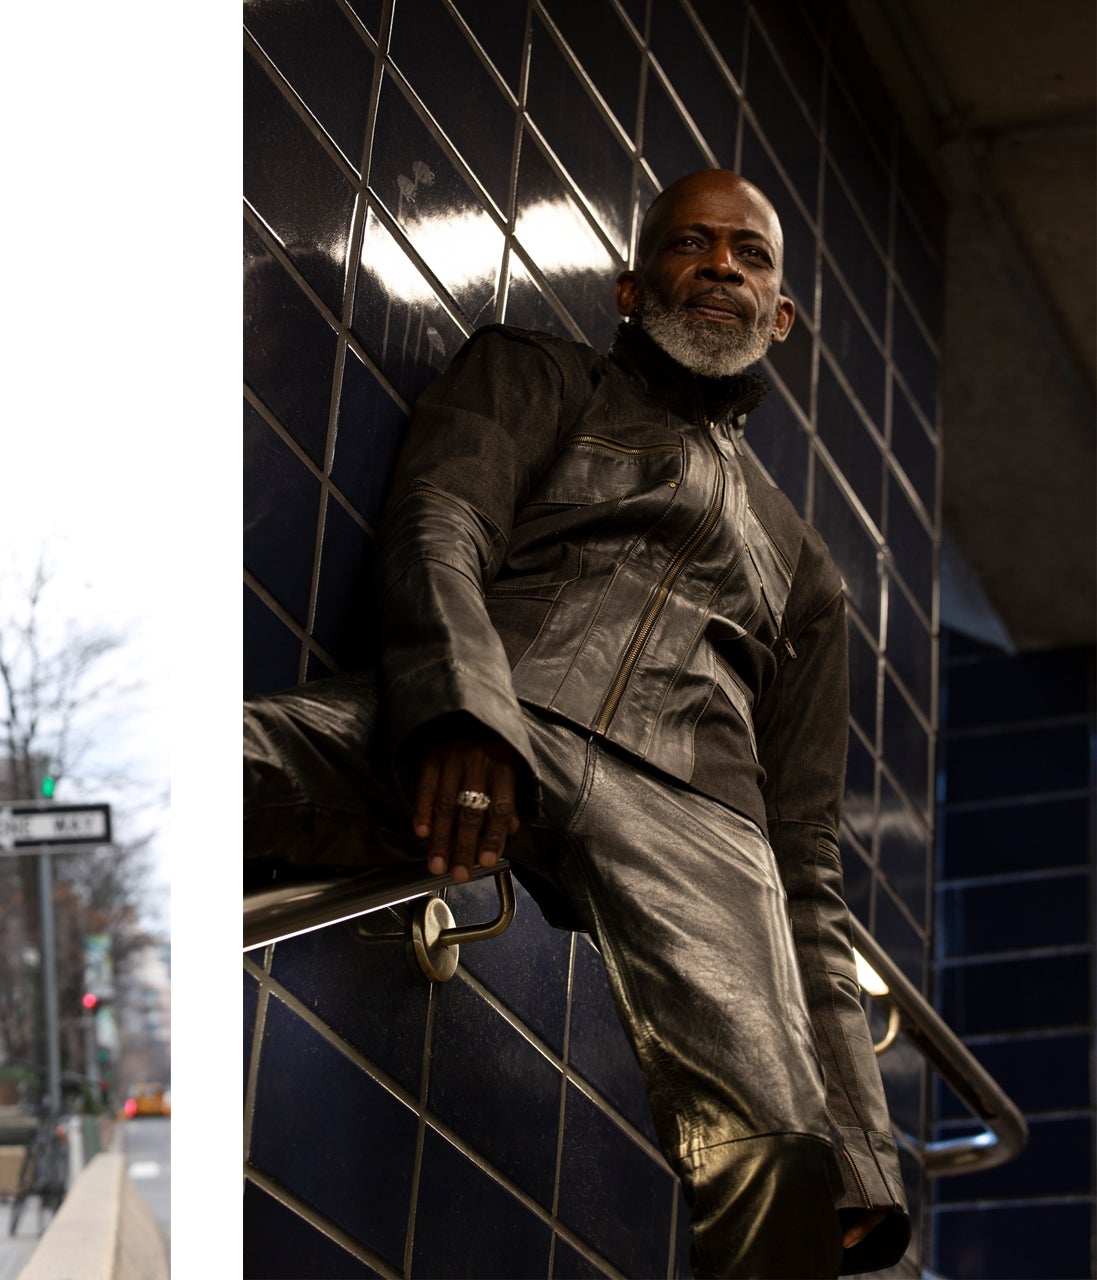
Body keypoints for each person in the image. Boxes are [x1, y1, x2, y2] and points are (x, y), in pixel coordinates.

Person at [245, 171, 911, 1277]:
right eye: (691, 245)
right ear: (629, 286)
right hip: (503, 705)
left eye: (749, 256)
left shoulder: (806, 569)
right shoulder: (536, 374)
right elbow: (438, 524)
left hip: (700, 816)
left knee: (781, 1144)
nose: (721, 267)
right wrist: (463, 707)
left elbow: (806, 855)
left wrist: (861, 1151)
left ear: (780, 315)